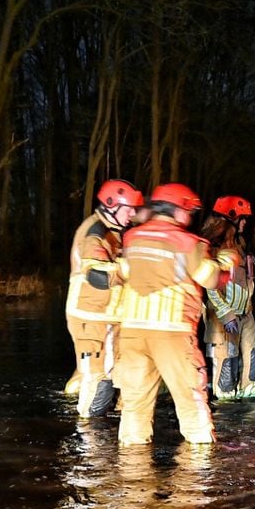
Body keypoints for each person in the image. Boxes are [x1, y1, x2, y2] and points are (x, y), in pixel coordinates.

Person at [112, 182, 239, 446]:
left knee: (134, 409)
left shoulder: (132, 238)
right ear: (178, 209)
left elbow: (123, 273)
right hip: (172, 333)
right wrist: (226, 262)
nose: (190, 217)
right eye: (188, 211)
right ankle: (196, 478)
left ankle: (134, 478)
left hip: (132, 334)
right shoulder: (188, 242)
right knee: (192, 405)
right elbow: (209, 277)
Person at [65, 178, 144, 418]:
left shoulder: (113, 230)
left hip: (108, 316)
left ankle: (101, 438)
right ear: (112, 205)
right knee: (99, 381)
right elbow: (97, 275)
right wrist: (133, 268)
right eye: (128, 208)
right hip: (92, 317)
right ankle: (89, 444)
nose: (132, 214)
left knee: (112, 377)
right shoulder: (95, 233)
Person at [201, 195, 255, 401]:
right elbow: (208, 284)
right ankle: (226, 412)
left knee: (252, 360)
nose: (245, 222)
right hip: (223, 318)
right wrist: (225, 313)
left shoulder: (240, 243)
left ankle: (249, 395)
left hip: (246, 314)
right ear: (230, 218)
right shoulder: (211, 247)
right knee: (227, 368)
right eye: (242, 218)